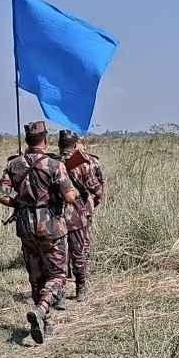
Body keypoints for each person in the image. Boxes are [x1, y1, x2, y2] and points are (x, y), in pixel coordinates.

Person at [0, 121, 78, 344]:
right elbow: (70, 196)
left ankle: (45, 323)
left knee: (35, 276)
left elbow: (1, 195)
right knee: (58, 275)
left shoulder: (14, 165)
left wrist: (19, 204)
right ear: (45, 139)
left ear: (27, 140)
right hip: (51, 226)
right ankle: (42, 310)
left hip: (25, 227)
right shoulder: (54, 165)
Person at [56, 130, 104, 304]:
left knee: (58, 255)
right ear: (75, 144)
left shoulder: (52, 162)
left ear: (59, 144)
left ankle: (58, 293)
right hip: (78, 215)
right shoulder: (87, 162)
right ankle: (80, 289)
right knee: (79, 252)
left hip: (54, 217)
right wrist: (93, 202)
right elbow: (97, 190)